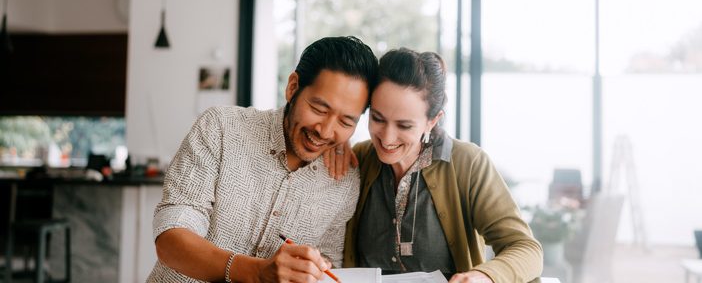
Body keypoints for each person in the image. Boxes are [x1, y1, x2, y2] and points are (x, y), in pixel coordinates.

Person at [148, 36, 378, 283]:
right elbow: (171, 238)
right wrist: (257, 272)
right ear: (292, 87)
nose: (325, 130)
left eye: (345, 121)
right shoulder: (220, 128)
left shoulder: (344, 180)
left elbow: (329, 264)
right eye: (319, 110)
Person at [330, 48, 543, 282]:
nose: (387, 138)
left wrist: (484, 276)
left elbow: (526, 248)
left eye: (404, 126)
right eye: (378, 119)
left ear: (432, 121)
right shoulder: (358, 159)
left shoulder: (468, 164)